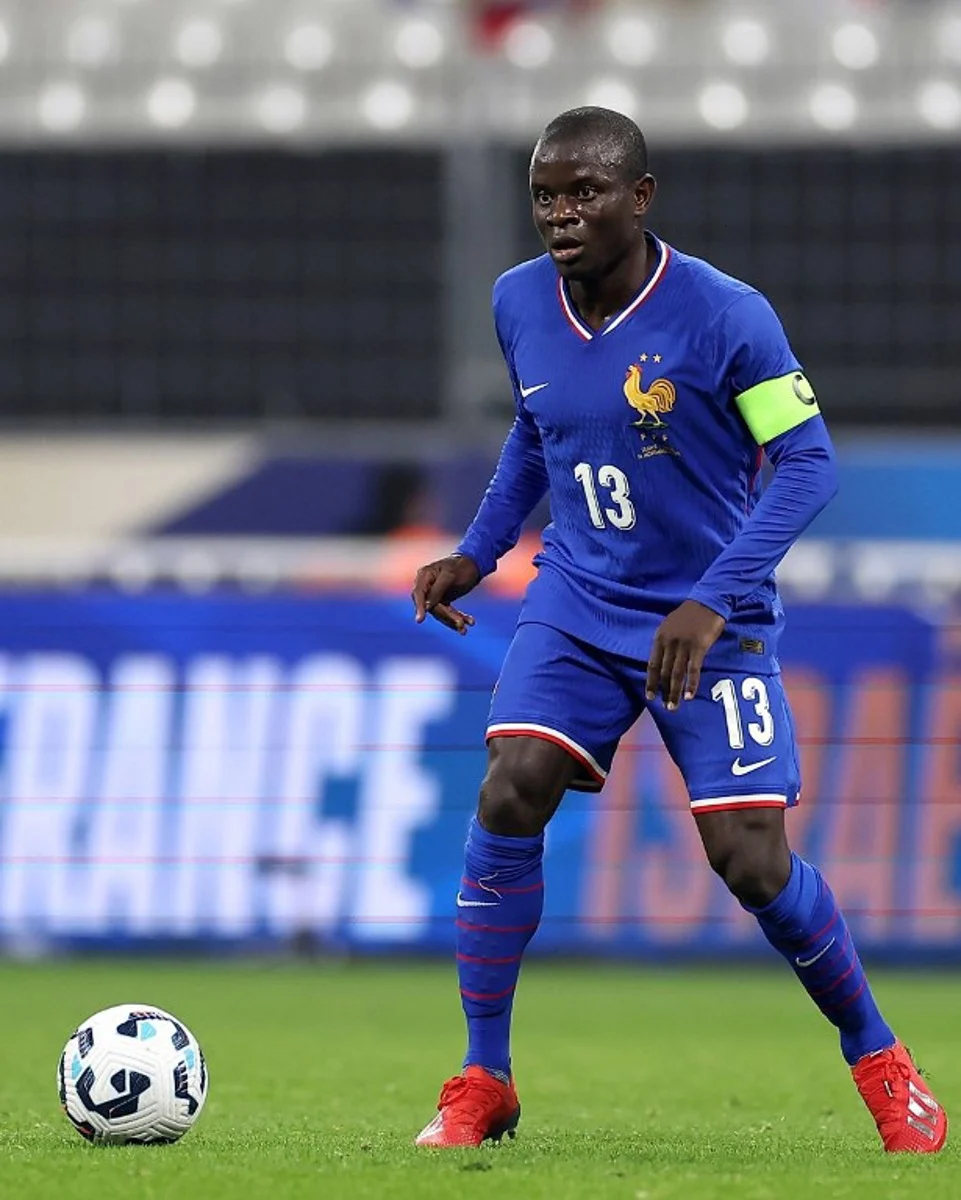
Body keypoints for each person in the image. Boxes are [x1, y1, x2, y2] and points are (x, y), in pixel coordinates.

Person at [410, 107, 947, 1154]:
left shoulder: (724, 315)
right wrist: (480, 548)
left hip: (712, 614)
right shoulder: (517, 301)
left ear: (639, 198)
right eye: (545, 196)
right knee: (512, 780)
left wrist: (712, 597)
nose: (561, 215)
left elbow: (808, 465)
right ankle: (483, 1077)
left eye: (584, 193)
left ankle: (883, 1061)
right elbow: (537, 429)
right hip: (575, 598)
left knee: (749, 861)